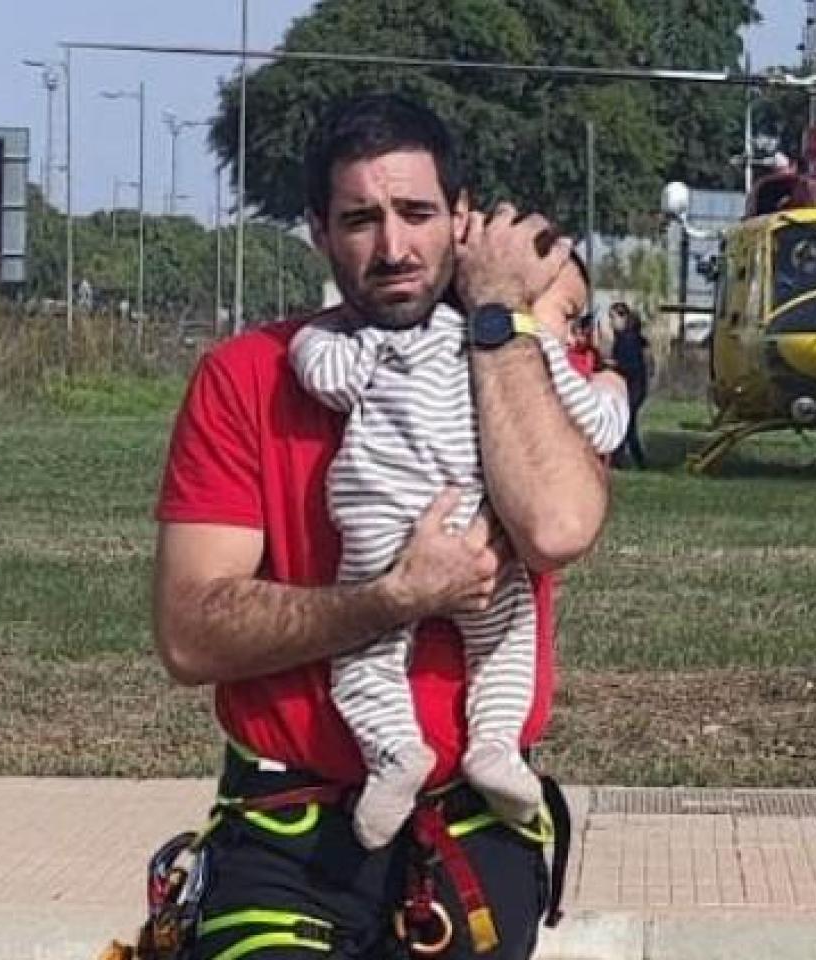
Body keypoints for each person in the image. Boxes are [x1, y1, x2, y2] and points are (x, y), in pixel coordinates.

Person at [150, 93, 616, 960]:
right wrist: (392, 597)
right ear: (320, 232)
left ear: (463, 219)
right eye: (361, 219)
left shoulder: (521, 361)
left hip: (470, 834)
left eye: (418, 213)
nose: (394, 248)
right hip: (289, 830)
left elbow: (556, 526)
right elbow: (190, 634)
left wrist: (494, 320)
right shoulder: (249, 376)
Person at [288, 250, 625, 851]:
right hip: (476, 532)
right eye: (569, 314)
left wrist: (328, 330)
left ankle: (393, 752)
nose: (572, 334)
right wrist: (612, 385)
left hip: (378, 520)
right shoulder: (533, 359)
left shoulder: (392, 338)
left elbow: (326, 378)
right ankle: (494, 746)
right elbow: (601, 427)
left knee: (366, 653)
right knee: (505, 644)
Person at [605, 302, 649, 469]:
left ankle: (624, 460)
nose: (611, 322)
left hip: (634, 387)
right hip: (632, 386)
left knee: (626, 424)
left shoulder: (628, 338)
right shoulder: (624, 337)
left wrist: (612, 364)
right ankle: (625, 460)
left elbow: (631, 366)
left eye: (613, 317)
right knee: (626, 424)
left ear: (623, 317)